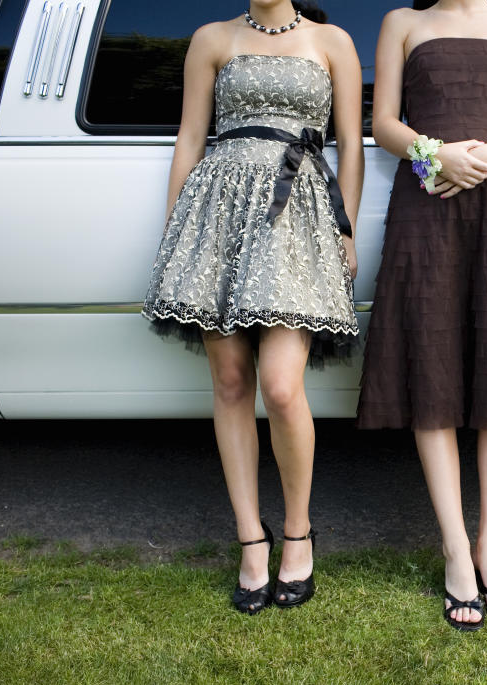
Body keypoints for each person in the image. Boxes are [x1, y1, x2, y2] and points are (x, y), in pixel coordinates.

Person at [356, 0, 487, 631]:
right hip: (426, 199)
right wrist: (436, 155)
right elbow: (385, 123)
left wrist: (481, 158)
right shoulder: (402, 23)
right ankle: (455, 549)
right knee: (433, 361)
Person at [141, 0, 364, 614]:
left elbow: (352, 146)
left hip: (299, 218)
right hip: (219, 212)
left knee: (283, 386)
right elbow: (191, 137)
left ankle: (298, 532)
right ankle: (251, 540)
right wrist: (176, 229)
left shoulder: (332, 41)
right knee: (232, 382)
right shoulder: (212, 39)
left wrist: (346, 228)